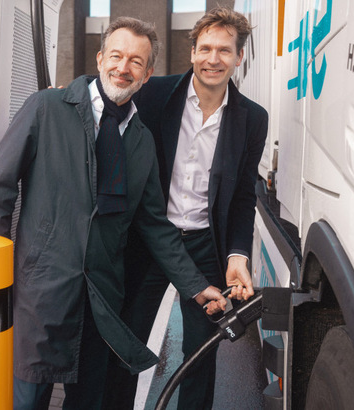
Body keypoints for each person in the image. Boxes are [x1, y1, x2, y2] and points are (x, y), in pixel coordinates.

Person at [0, 17, 228, 410]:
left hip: (103, 301)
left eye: (135, 61)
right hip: (42, 291)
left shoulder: (141, 140)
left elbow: (155, 226)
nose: (123, 68)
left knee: (88, 399)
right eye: (116, 55)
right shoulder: (47, 109)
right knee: (28, 399)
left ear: (147, 75)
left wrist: (196, 285)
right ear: (99, 59)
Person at [103, 7, 269, 409]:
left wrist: (237, 255)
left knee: (200, 353)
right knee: (126, 343)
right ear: (192, 52)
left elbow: (244, 195)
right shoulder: (155, 95)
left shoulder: (253, 119)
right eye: (206, 48)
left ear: (239, 58)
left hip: (204, 247)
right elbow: (108, 107)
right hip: (149, 241)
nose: (214, 59)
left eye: (225, 51)